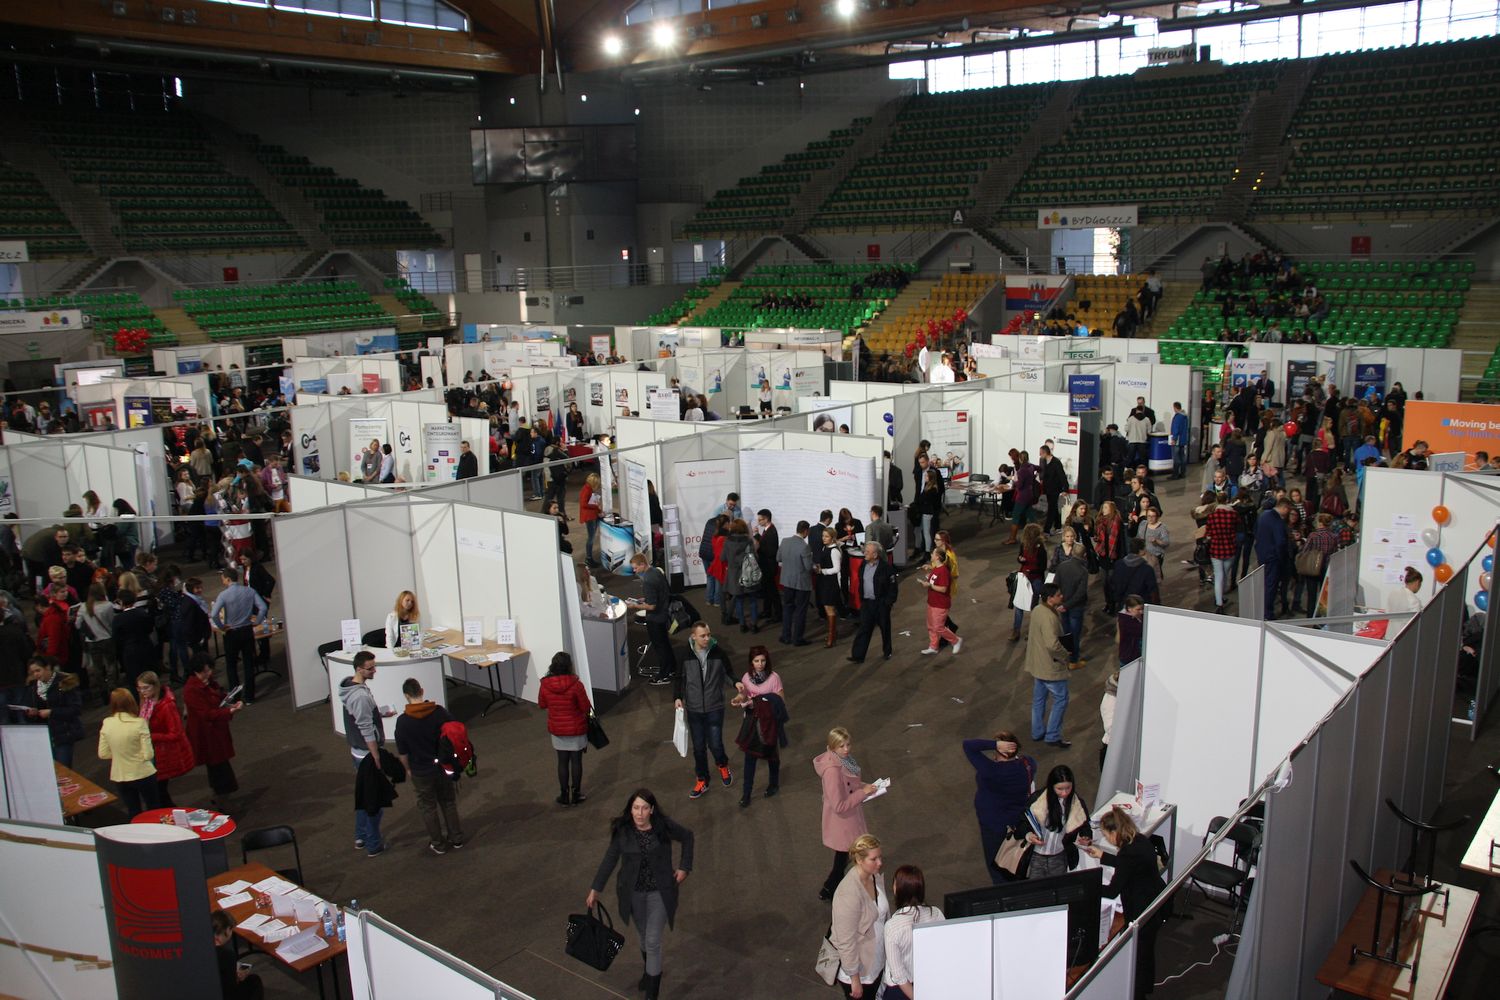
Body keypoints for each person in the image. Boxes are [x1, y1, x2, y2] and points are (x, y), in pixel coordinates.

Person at [586, 789, 694, 1000]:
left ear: (652, 810)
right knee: (644, 938)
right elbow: (610, 859)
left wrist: (684, 867)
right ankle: (648, 971)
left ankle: (651, 995)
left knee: (652, 941)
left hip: (660, 893)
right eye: (636, 808)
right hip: (633, 895)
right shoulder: (623, 831)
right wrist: (595, 889)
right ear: (630, 809)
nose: (640, 813)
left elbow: (687, 836)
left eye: (644, 808)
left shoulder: (663, 826)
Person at [1083, 807, 1167, 998]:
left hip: (1139, 910)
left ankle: (1137, 993)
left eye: (1106, 835)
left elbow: (1112, 891)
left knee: (1138, 956)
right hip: (1153, 905)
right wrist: (1102, 856)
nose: (1106, 839)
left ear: (1114, 832)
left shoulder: (1127, 854)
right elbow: (1129, 865)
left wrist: (1088, 888)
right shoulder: (1141, 841)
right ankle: (1144, 988)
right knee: (1146, 953)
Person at [395, 677, 466, 852]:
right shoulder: (439, 712)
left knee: (428, 807)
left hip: (420, 770)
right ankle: (456, 838)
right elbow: (455, 732)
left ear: (406, 695)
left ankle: (438, 843)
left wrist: (408, 769)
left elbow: (403, 752)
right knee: (448, 802)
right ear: (422, 691)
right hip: (443, 766)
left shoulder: (403, 722)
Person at [339, 651, 397, 857]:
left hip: (358, 752)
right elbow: (365, 727)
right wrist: (376, 756)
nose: (374, 671)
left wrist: (378, 713)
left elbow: (360, 716)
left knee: (365, 796)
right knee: (374, 801)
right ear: (359, 669)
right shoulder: (360, 696)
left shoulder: (350, 687)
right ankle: (373, 844)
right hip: (367, 755)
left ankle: (361, 835)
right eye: (370, 668)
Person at [963, 731, 1036, 884]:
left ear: (1001, 750)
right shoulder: (1028, 764)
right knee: (1016, 861)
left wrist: (994, 744)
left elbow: (968, 745)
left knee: (996, 867)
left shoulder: (991, 771)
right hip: (1018, 821)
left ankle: (1003, 892)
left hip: (994, 825)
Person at [673, 622, 733, 799]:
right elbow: (679, 677)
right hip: (694, 709)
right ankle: (702, 779)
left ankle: (722, 765)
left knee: (715, 744)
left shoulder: (718, 652)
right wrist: (677, 696)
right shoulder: (685, 655)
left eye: (708, 634)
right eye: (703, 636)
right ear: (694, 637)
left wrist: (736, 683)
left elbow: (728, 673)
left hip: (715, 707)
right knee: (698, 748)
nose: (707, 638)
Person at [815, 726, 876, 901]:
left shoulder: (843, 760)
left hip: (849, 818)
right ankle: (831, 888)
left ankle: (830, 888)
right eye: (841, 746)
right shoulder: (832, 771)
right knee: (846, 855)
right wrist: (863, 792)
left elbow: (851, 784)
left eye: (848, 744)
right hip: (844, 821)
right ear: (832, 747)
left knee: (845, 855)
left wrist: (866, 787)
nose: (846, 749)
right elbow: (839, 805)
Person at [831, 833, 889, 1000]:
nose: (880, 863)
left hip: (876, 959)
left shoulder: (873, 875)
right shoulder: (847, 894)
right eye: (874, 859)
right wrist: (855, 979)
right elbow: (845, 941)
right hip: (861, 970)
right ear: (859, 859)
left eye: (880, 857)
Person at [183, 652, 243, 805]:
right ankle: (222, 799)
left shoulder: (207, 683)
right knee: (217, 766)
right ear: (196, 671)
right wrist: (229, 711)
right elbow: (206, 714)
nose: (209, 673)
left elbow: (218, 698)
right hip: (205, 734)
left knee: (219, 765)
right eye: (205, 671)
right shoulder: (191, 690)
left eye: (209, 670)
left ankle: (223, 797)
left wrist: (229, 704)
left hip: (214, 731)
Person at [730, 645, 785, 807]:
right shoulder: (746, 677)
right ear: (751, 662)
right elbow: (743, 694)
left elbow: (781, 701)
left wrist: (759, 702)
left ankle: (773, 784)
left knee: (772, 756)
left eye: (763, 660)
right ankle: (746, 794)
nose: (760, 664)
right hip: (752, 723)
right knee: (750, 758)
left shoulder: (774, 678)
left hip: (769, 723)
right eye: (756, 661)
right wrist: (738, 699)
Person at [879, 865, 944, 999]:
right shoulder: (936, 914)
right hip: (929, 982)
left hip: (900, 991)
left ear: (898, 890)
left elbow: (899, 975)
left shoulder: (892, 926)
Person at [538, 651, 592, 807]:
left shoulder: (545, 685)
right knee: (576, 762)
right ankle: (576, 794)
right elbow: (585, 707)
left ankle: (563, 795)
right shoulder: (576, 685)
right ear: (569, 666)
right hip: (576, 728)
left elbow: (542, 704)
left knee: (562, 762)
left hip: (557, 729)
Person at [1019, 765, 1092, 880]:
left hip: (1060, 856)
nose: (1064, 793)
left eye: (1068, 788)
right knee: (1035, 888)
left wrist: (1086, 837)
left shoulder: (1076, 803)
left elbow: (1085, 825)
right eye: (1059, 789)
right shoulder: (1037, 799)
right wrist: (1028, 835)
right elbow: (1022, 822)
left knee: (1057, 887)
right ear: (1051, 786)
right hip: (1035, 856)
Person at [1026, 583, 1075, 749]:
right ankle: (1053, 735)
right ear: (1050, 598)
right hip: (1050, 667)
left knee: (1038, 700)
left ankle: (1037, 731)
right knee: (1061, 699)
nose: (1062, 596)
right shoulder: (1049, 617)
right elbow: (1052, 645)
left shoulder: (1038, 610)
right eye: (1058, 595)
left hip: (1037, 664)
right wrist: (1065, 655)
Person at [98, 687, 160, 817]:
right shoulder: (139, 723)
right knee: (154, 809)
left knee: (133, 811)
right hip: (143, 773)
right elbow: (148, 754)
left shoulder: (107, 723)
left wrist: (120, 754)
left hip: (120, 776)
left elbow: (103, 753)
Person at [135, 671, 194, 808]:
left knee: (160, 793)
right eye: (139, 688)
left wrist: (151, 736)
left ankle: (172, 816)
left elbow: (176, 733)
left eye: (145, 688)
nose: (142, 692)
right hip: (154, 753)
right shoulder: (147, 702)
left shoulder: (167, 706)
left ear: (155, 686)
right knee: (158, 793)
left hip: (164, 753)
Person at [210, 568, 267, 703]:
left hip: (231, 633)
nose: (223, 582)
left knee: (231, 665)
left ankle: (236, 696)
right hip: (247, 630)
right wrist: (257, 621)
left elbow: (214, 614)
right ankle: (249, 697)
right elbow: (263, 607)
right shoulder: (249, 591)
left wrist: (221, 626)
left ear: (228, 579)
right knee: (249, 664)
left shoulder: (223, 595)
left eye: (223, 579)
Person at [24, 656, 84, 765]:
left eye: (38, 670)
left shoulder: (65, 681)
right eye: (33, 672)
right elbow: (30, 710)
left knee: (64, 768)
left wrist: (52, 712)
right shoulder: (33, 688)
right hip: (45, 737)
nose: (36, 674)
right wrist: (31, 714)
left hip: (64, 734)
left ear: (47, 667)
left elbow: (76, 709)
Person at [628, 552, 675, 685]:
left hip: (655, 618)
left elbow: (652, 606)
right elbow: (661, 593)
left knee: (660, 647)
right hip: (664, 614)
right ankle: (672, 668)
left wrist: (634, 606)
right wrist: (645, 599)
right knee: (665, 644)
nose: (634, 570)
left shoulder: (648, 580)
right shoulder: (656, 571)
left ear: (643, 564)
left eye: (636, 567)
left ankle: (664, 675)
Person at [847, 541, 897, 664]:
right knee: (864, 628)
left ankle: (887, 651)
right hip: (867, 604)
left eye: (867, 552)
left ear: (875, 555)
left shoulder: (886, 568)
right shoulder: (863, 564)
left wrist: (888, 603)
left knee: (884, 628)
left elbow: (893, 588)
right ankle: (858, 655)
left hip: (881, 604)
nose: (865, 553)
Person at [212, 911, 265, 1000]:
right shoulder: (227, 955)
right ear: (227, 930)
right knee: (254, 981)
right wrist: (237, 978)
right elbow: (230, 987)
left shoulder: (202, 947)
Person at [917, 549, 961, 655]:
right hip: (932, 602)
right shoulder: (936, 568)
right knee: (931, 626)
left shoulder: (943, 571)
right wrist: (928, 579)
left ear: (937, 557)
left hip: (940, 604)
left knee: (938, 627)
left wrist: (929, 585)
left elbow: (943, 589)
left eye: (933, 553)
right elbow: (934, 580)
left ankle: (956, 640)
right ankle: (933, 647)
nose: (931, 554)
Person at [778, 520, 814, 647]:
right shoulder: (805, 546)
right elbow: (808, 567)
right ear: (806, 531)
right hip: (801, 584)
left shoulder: (785, 541)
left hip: (787, 581)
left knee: (787, 608)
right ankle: (797, 638)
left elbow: (778, 558)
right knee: (800, 611)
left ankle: (785, 636)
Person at [1053, 543, 1090, 666]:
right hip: (1075, 607)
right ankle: (1073, 660)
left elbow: (1055, 585)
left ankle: (1065, 656)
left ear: (1072, 552)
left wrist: (1060, 604)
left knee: (1066, 632)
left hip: (1062, 605)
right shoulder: (1083, 571)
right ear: (1084, 555)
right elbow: (1081, 593)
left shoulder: (1062, 566)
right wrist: (1067, 605)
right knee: (1075, 634)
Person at [1256, 500, 1291, 621]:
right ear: (1284, 508)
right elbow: (1280, 542)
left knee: (1265, 584)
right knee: (1271, 586)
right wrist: (1282, 558)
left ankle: (1263, 610)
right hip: (1273, 558)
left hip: (1262, 555)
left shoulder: (1263, 515)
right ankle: (1268, 613)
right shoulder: (1277, 520)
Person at [720, 518, 758, 632]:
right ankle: (754, 625)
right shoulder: (748, 541)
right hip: (748, 574)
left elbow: (722, 558)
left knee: (739, 600)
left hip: (734, 575)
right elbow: (754, 558)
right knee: (753, 600)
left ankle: (742, 624)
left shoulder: (727, 542)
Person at [1011, 523, 1046, 641]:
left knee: (1033, 606)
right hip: (1024, 578)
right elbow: (1019, 557)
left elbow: (1043, 567)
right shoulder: (1023, 545)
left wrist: (1031, 570)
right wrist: (1021, 559)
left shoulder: (1040, 548)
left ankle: (1032, 630)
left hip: (1036, 578)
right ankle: (1016, 630)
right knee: (1019, 605)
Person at [813, 526, 846, 648]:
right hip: (824, 582)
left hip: (830, 583)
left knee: (829, 609)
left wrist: (823, 571)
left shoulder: (834, 551)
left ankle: (832, 637)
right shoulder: (825, 548)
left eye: (826, 536)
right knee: (827, 608)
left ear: (832, 538)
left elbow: (837, 569)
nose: (823, 538)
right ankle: (832, 633)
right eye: (823, 536)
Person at [1112, 537, 1160, 606]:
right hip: (1141, 605)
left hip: (1124, 603)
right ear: (1141, 551)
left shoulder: (1119, 564)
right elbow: (1153, 592)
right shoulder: (1147, 569)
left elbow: (1114, 584)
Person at [1039, 445, 1069, 534]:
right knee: (1054, 507)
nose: (1040, 455)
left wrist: (1065, 489)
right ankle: (1058, 526)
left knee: (1051, 509)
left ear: (1045, 453)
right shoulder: (1043, 461)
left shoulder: (1056, 462)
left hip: (1055, 489)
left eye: (1041, 453)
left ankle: (1046, 530)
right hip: (1048, 488)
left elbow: (1062, 475)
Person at [1137, 507, 1170, 583]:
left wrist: (1157, 541)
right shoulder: (1143, 524)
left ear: (1157, 517)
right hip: (1144, 555)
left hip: (1156, 556)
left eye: (1153, 516)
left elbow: (1166, 543)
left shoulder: (1162, 528)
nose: (1150, 518)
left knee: (1155, 575)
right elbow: (1138, 537)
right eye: (1149, 516)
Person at [579, 473, 603, 568]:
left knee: (592, 537)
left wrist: (598, 511)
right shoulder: (586, 490)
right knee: (591, 538)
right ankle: (589, 558)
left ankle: (589, 558)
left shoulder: (588, 489)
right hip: (589, 517)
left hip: (593, 516)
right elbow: (584, 504)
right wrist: (596, 506)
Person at [1169, 402, 1190, 479]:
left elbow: (1176, 428)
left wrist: (1174, 439)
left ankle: (1175, 474)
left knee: (1176, 458)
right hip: (1183, 439)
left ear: (1175, 407)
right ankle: (1183, 473)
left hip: (1177, 440)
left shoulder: (1178, 417)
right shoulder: (1185, 416)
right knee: (1182, 456)